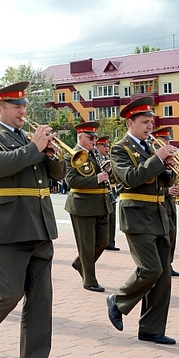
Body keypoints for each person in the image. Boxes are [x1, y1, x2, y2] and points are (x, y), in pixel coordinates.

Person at [0, 81, 64, 358]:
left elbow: (58, 175)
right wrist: (34, 148)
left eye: (24, 106)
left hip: (40, 225)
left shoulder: (27, 139)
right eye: (16, 106)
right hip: (6, 225)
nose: (23, 111)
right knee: (7, 292)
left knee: (41, 303)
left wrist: (50, 154)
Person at [106, 97, 177, 344]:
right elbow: (130, 178)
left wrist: (168, 168)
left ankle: (151, 328)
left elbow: (163, 181)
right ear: (130, 123)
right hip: (136, 214)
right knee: (151, 268)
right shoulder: (120, 149)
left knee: (163, 276)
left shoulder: (148, 147)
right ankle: (118, 299)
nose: (150, 126)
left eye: (151, 122)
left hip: (158, 214)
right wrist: (157, 159)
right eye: (145, 122)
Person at [66, 121, 112, 292]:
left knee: (103, 241)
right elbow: (71, 180)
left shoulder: (95, 155)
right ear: (80, 137)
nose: (94, 141)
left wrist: (109, 171)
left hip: (101, 204)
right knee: (86, 246)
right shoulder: (71, 155)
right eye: (90, 137)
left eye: (95, 138)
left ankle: (80, 263)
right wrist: (96, 179)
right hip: (82, 205)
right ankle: (89, 280)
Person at [152, 126, 179, 277]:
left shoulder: (167, 158)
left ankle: (168, 264)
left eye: (168, 140)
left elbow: (170, 180)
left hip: (169, 202)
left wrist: (171, 169)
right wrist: (166, 191)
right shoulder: (153, 158)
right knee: (166, 236)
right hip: (160, 201)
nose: (168, 143)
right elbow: (152, 185)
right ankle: (163, 266)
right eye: (165, 140)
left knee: (172, 235)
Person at [96, 136, 120, 251]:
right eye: (104, 146)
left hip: (111, 190)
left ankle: (110, 242)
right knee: (103, 219)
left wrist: (111, 170)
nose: (107, 148)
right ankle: (102, 241)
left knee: (112, 218)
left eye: (108, 146)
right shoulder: (96, 158)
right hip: (101, 191)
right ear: (97, 146)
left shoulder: (110, 159)